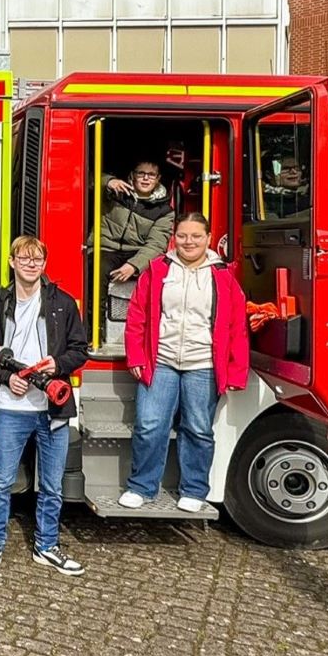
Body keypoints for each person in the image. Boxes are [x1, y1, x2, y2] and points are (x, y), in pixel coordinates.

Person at [0, 236, 89, 580]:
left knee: (51, 485)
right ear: (11, 262)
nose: (30, 264)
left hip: (51, 409)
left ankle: (47, 545)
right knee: (2, 481)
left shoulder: (63, 304)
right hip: (11, 407)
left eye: (37, 258)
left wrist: (58, 365)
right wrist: (8, 378)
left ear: (44, 263)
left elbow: (80, 350)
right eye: (24, 258)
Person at [119, 213, 250, 513]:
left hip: (203, 363)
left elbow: (236, 327)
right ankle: (141, 486)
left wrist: (234, 371)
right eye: (182, 236)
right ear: (173, 238)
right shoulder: (157, 270)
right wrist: (137, 356)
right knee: (150, 425)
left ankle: (193, 489)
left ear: (207, 238)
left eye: (195, 236)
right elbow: (137, 314)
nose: (188, 242)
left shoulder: (223, 276)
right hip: (161, 359)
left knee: (199, 428)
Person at [100, 160, 176, 315]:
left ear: (158, 178)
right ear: (132, 176)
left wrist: (134, 265)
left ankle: (145, 329)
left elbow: (156, 244)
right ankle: (94, 330)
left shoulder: (164, 210)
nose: (146, 178)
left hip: (137, 252)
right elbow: (83, 179)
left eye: (151, 175)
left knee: (156, 276)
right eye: (141, 173)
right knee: (97, 271)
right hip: (106, 248)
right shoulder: (114, 193)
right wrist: (108, 181)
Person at [262, 154, 310, 219]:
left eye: (297, 168)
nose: (294, 172)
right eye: (286, 169)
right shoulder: (265, 202)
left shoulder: (307, 195)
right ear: (269, 175)